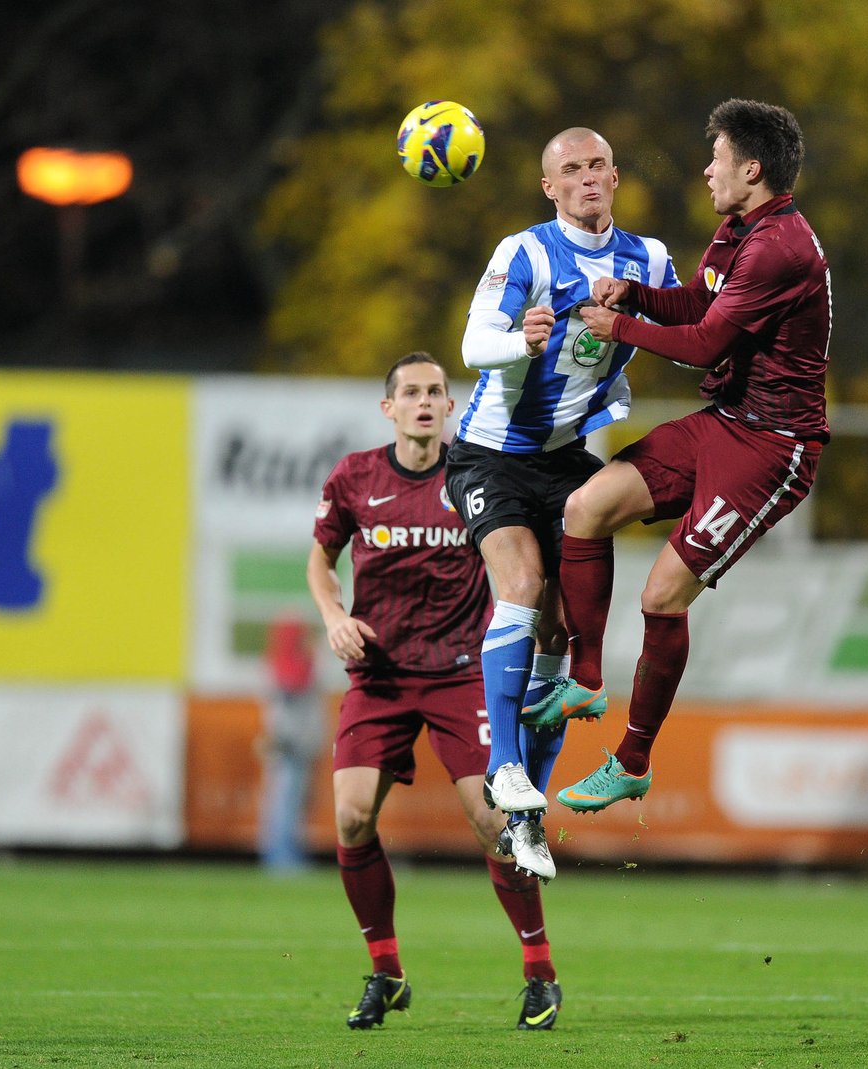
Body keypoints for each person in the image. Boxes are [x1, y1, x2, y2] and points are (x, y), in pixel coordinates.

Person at [554, 98, 832, 812]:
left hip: (772, 449)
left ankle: (633, 760)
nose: (706, 168)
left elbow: (708, 346)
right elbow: (698, 309)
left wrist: (618, 324)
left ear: (752, 167)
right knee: (587, 505)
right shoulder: (739, 230)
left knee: (660, 595)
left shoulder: (782, 248)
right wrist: (639, 295)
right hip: (723, 421)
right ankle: (584, 677)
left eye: (717, 156)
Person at [443, 127, 679, 879]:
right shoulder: (526, 252)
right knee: (521, 587)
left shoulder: (651, 259)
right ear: (549, 187)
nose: (586, 179)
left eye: (597, 166)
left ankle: (526, 816)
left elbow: (688, 331)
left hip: (566, 460)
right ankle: (504, 764)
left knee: (564, 630)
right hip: (490, 452)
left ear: (615, 175)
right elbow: (474, 344)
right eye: (570, 170)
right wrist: (522, 340)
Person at [308, 351, 562, 1032]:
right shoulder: (355, 477)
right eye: (411, 392)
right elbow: (320, 558)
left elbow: (518, 558)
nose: (425, 401)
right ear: (387, 407)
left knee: (491, 824)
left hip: (460, 672)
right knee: (352, 816)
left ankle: (539, 970)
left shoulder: (474, 474)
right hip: (382, 675)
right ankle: (386, 972)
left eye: (437, 391)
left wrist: (543, 634)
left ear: (452, 406)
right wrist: (335, 618)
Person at [257, 613, 324, 871]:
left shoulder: (292, 662)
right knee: (283, 800)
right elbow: (290, 690)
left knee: (292, 801)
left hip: (300, 743)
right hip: (288, 743)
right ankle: (280, 856)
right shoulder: (287, 663)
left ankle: (287, 852)